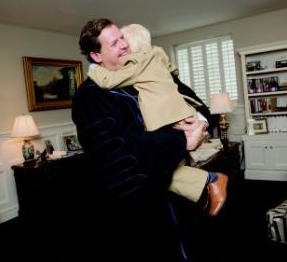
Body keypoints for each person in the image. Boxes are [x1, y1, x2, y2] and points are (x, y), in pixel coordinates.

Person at [72, 18, 227, 261]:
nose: (124, 45)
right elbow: (120, 154)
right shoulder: (90, 98)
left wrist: (200, 123)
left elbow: (200, 107)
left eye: (122, 37)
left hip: (181, 188)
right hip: (140, 204)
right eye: (114, 43)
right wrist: (182, 141)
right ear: (96, 56)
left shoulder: (146, 66)